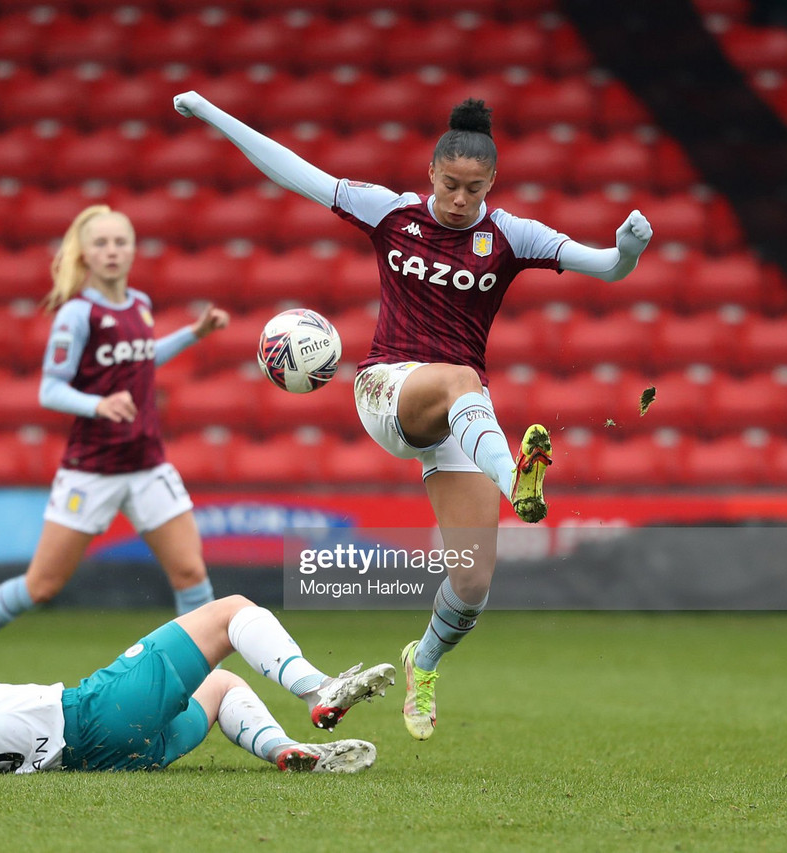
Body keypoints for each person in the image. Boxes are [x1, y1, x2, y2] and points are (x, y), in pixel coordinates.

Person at [172, 92, 653, 742]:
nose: (459, 198)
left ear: (492, 185)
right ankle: (520, 482)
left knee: (472, 582)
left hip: (459, 415)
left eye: (473, 188)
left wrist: (627, 249)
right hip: (388, 388)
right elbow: (293, 169)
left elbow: (607, 270)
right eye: (449, 184)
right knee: (461, 381)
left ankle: (422, 662)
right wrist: (211, 112)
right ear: (431, 175)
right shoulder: (392, 212)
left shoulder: (511, 235)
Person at [0, 205, 230, 676]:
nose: (112, 251)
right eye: (101, 243)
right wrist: (99, 404)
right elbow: (50, 389)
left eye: (120, 242)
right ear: (84, 254)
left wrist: (193, 334)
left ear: (133, 250)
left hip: (148, 464)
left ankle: (210, 683)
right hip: (91, 470)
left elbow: (143, 358)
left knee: (191, 574)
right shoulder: (77, 314)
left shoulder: (140, 304)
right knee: (41, 586)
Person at [0, 595, 397, 774]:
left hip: (106, 758)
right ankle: (317, 688)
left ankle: (287, 751)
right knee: (232, 612)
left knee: (220, 687)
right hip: (92, 712)